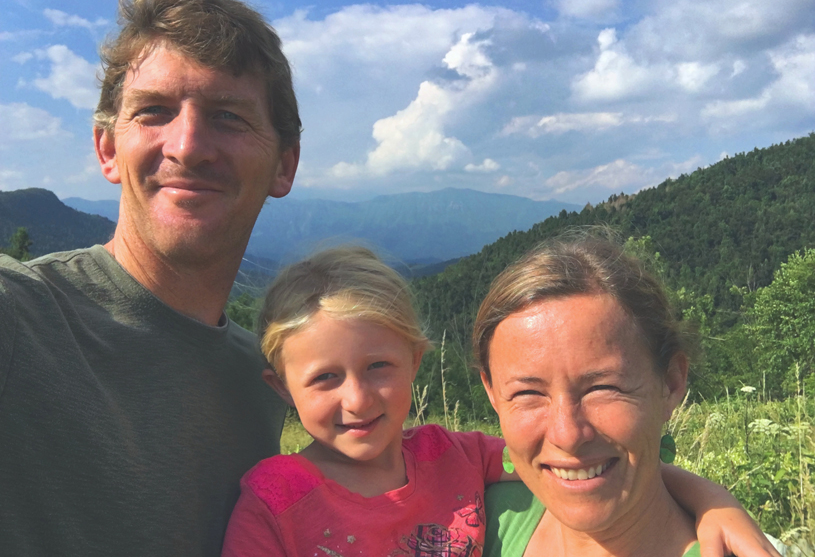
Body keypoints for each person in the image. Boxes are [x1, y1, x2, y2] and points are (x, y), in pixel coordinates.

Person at [0, 0, 299, 557]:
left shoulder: (266, 379)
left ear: (284, 166)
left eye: (228, 116)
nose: (187, 145)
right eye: (154, 110)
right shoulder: (22, 318)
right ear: (108, 148)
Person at [222, 246, 783, 557]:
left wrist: (711, 500)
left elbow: (572, 467)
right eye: (325, 379)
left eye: (602, 385)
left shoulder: (454, 459)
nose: (358, 398)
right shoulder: (276, 498)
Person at [474, 233, 786, 557]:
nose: (566, 435)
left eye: (602, 388)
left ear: (671, 382)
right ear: (493, 393)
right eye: (528, 393)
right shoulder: (472, 520)